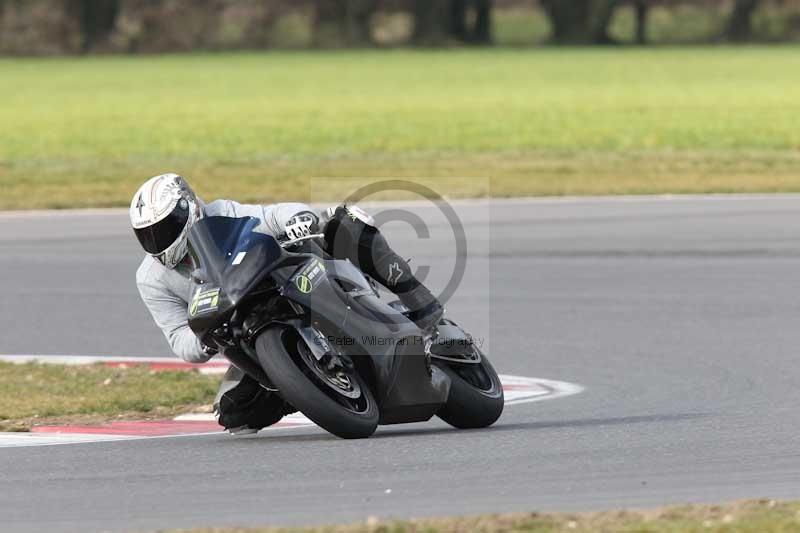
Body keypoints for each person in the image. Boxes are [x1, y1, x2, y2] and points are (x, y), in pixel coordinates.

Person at [131, 173, 443, 434]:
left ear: (189, 209)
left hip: (293, 281)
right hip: (247, 332)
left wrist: (298, 220)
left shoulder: (221, 213)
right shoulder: (151, 279)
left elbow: (272, 215)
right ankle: (301, 384)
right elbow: (177, 337)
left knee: (344, 223)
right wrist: (206, 339)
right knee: (234, 415)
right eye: (148, 235)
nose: (158, 241)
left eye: (166, 227)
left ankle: (419, 303)